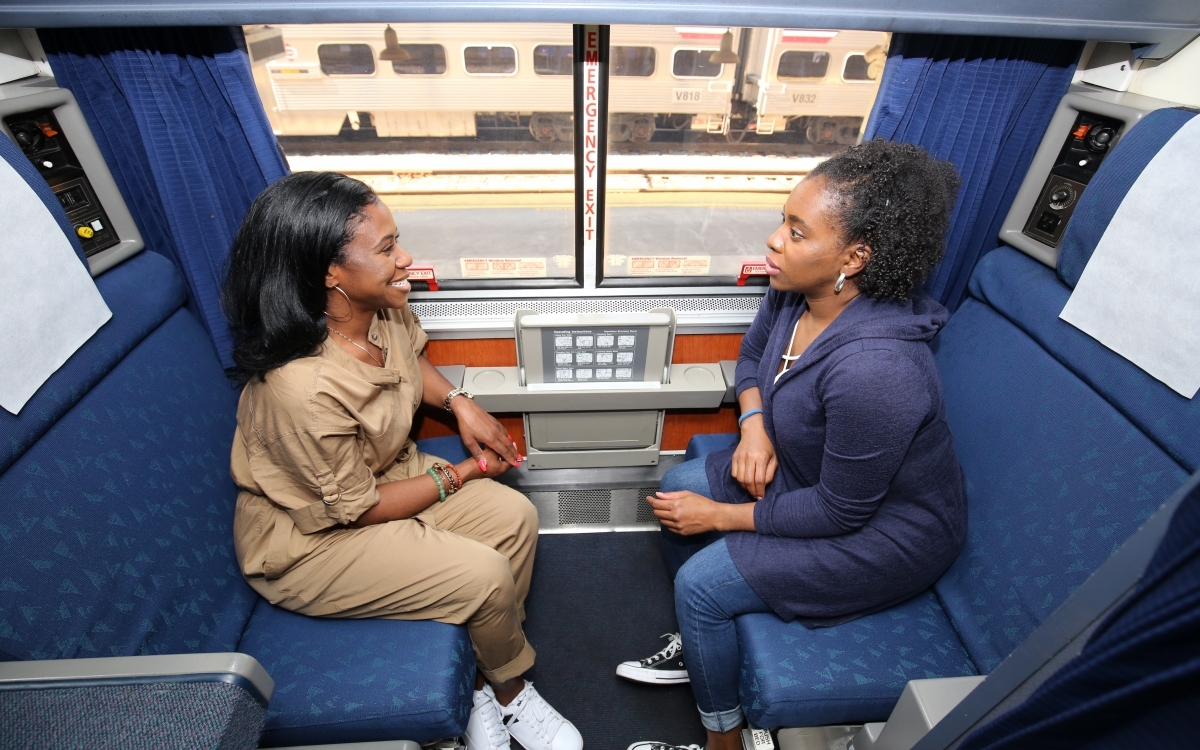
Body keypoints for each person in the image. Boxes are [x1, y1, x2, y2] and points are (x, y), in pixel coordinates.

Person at [619, 140, 968, 750]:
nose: (775, 242)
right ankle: (707, 641)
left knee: (700, 585)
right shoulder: (794, 289)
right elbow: (753, 357)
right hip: (812, 475)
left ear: (854, 257)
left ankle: (721, 736)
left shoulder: (878, 370)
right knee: (678, 485)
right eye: (784, 221)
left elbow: (842, 511)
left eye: (797, 232)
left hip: (884, 533)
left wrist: (724, 515)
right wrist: (754, 425)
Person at [222, 171, 582, 750]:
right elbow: (358, 511)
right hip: (313, 541)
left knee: (514, 517)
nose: (405, 258)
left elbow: (409, 363)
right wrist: (461, 472)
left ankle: (483, 677)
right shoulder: (301, 389)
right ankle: (510, 692)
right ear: (329, 273)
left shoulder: (379, 312)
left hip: (385, 476)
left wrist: (461, 404)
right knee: (483, 576)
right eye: (386, 248)